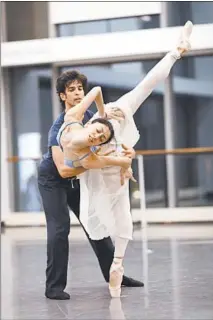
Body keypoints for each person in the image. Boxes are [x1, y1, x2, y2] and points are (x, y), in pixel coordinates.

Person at [58, 20, 193, 297]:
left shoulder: (89, 118)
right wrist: (123, 161)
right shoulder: (75, 138)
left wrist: (105, 116)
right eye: (95, 134)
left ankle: (117, 265)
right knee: (99, 221)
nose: (95, 134)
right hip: (98, 171)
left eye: (97, 132)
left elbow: (136, 85)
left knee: (124, 221)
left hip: (111, 152)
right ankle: (114, 263)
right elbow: (86, 162)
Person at [37, 75, 143, 301]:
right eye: (71, 90)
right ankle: (53, 287)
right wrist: (107, 163)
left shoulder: (91, 117)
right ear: (62, 96)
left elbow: (114, 142)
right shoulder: (60, 126)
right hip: (54, 179)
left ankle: (114, 275)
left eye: (79, 89)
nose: (77, 93)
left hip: (78, 179)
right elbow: (64, 170)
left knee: (96, 223)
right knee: (59, 229)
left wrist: (127, 155)